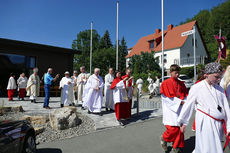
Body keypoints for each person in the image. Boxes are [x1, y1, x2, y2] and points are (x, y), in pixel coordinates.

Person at [177, 62, 230, 153]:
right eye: (216, 77)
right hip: (205, 122)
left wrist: (229, 126)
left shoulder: (220, 89)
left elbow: (226, 108)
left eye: (220, 77)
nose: (219, 79)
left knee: (215, 146)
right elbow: (188, 105)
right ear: (206, 75)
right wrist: (183, 122)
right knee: (207, 148)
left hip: (218, 124)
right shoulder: (197, 87)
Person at [160, 64, 188, 153]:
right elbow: (165, 98)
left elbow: (185, 95)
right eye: (176, 73)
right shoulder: (165, 83)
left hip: (180, 109)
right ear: (170, 72)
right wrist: (179, 102)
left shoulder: (181, 83)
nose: (177, 75)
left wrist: (186, 102)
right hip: (170, 109)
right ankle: (164, 138)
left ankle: (176, 147)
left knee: (180, 129)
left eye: (178, 73)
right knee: (173, 129)